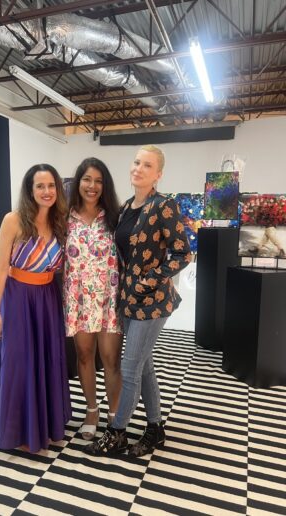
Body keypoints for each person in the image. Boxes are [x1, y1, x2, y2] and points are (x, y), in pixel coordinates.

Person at [85, 145, 191, 458]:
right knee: (144, 368)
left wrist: (151, 278)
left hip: (153, 301)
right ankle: (155, 428)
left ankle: (117, 433)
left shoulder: (164, 206)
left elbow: (183, 253)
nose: (138, 169)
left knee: (129, 369)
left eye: (147, 165)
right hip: (128, 301)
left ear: (158, 174)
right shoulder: (126, 207)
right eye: (136, 162)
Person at [0, 164, 71, 453]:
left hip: (48, 298)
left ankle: (45, 423)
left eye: (51, 185)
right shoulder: (14, 220)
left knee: (48, 359)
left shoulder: (60, 222)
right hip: (18, 297)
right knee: (18, 361)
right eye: (40, 186)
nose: (47, 191)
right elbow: (0, 268)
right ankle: (18, 429)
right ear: (30, 190)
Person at [63, 157, 122, 440]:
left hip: (109, 299)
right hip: (78, 300)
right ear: (78, 182)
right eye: (87, 179)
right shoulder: (64, 218)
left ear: (105, 185)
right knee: (84, 356)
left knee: (111, 359)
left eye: (98, 181)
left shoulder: (115, 217)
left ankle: (115, 415)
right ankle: (91, 411)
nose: (92, 186)